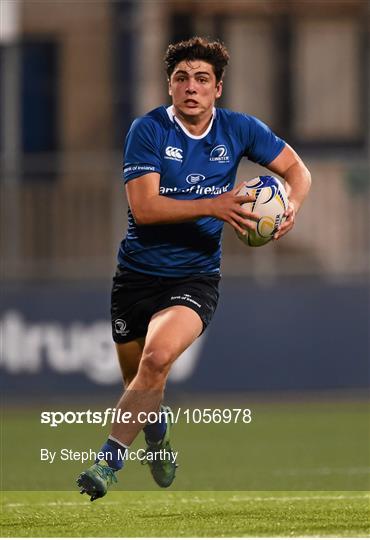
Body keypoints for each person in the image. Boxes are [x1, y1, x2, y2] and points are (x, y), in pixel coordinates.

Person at [77, 36, 311, 501]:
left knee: (157, 360)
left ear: (217, 88)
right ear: (170, 85)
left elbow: (297, 171)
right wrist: (216, 204)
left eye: (202, 79)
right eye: (182, 78)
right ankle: (158, 436)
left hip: (194, 277)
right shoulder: (147, 131)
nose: (191, 87)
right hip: (136, 277)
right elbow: (144, 208)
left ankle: (107, 463)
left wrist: (291, 206)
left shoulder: (239, 129)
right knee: (142, 385)